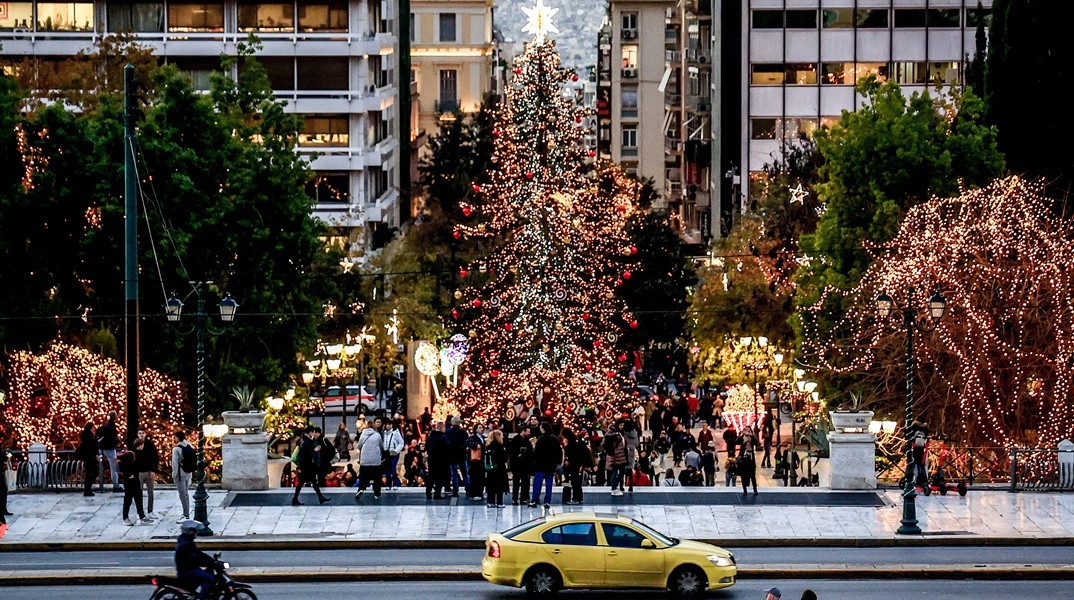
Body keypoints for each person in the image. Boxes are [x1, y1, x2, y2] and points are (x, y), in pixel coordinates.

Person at [175, 520, 217, 600]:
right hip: (188, 571)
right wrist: (208, 563)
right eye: (195, 531)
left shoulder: (187, 541)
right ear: (190, 531)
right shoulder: (186, 544)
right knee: (209, 579)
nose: (196, 533)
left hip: (189, 569)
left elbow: (199, 553)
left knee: (207, 574)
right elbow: (195, 559)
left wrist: (212, 560)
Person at [292, 427, 330, 505]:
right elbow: (308, 454)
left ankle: (320, 497)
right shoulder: (306, 442)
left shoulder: (304, 440)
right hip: (307, 466)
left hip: (306, 465)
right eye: (313, 432)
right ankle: (295, 498)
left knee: (311, 482)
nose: (313, 434)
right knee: (303, 482)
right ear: (310, 432)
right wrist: (315, 450)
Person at [117, 442, 151, 525]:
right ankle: (125, 517)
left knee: (138, 496)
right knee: (128, 497)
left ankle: (141, 515)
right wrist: (130, 475)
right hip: (129, 478)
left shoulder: (136, 453)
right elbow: (128, 466)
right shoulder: (131, 454)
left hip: (134, 477)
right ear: (140, 445)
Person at [530, 423, 562, 508]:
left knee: (537, 484)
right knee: (549, 485)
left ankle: (535, 500)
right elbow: (559, 451)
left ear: (543, 429)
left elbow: (536, 452)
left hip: (540, 465)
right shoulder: (555, 439)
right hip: (551, 466)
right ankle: (547, 502)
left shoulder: (541, 439)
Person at [354, 417, 384, 499]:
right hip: (375, 461)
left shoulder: (363, 435)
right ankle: (377, 493)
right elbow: (381, 446)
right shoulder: (377, 435)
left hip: (365, 460)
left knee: (363, 476)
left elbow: (359, 446)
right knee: (377, 478)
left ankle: (361, 489)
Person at [562, 428, 593, 505]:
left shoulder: (572, 444)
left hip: (575, 465)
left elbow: (572, 455)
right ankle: (578, 497)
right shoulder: (578, 442)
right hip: (578, 465)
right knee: (577, 482)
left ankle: (576, 498)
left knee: (575, 482)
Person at [133, 429, 160, 518]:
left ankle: (150, 510)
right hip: (139, 472)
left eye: (143, 433)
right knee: (138, 493)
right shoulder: (135, 445)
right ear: (137, 434)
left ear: (145, 434)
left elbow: (155, 458)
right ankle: (139, 511)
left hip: (149, 471)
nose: (141, 435)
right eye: (139, 433)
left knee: (150, 492)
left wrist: (153, 470)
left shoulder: (150, 445)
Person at [425, 421, 451, 499]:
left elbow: (426, 448)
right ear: (441, 428)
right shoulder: (443, 437)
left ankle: (428, 493)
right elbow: (447, 448)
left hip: (431, 458)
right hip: (441, 459)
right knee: (439, 477)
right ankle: (437, 494)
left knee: (431, 476)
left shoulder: (430, 437)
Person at [507, 426, 534, 505]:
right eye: (527, 432)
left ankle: (524, 498)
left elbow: (530, 452)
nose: (529, 433)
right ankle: (514, 498)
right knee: (516, 482)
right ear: (523, 431)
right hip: (517, 465)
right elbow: (512, 453)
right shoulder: (515, 440)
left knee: (526, 482)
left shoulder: (527, 441)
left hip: (525, 465)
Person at [483, 429, 509, 508]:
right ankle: (499, 502)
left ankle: (491, 502)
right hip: (500, 469)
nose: (502, 436)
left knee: (491, 486)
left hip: (491, 469)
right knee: (500, 486)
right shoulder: (500, 446)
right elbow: (503, 458)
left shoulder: (489, 446)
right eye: (501, 435)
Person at [172, 431, 194, 522]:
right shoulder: (189, 445)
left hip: (180, 474)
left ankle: (186, 515)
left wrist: (174, 475)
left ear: (177, 438)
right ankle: (186, 513)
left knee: (183, 494)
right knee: (186, 494)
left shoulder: (176, 449)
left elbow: (175, 463)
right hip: (188, 473)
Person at [97, 411, 121, 492]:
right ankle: (116, 485)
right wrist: (117, 441)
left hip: (102, 448)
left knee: (101, 467)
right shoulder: (112, 427)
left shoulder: (105, 424)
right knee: (114, 468)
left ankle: (101, 485)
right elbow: (113, 438)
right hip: (110, 449)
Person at [446, 417, 468, 497]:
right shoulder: (463, 432)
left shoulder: (448, 432)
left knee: (454, 473)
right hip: (461, 454)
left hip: (452, 455)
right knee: (465, 472)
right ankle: (467, 489)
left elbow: (447, 444)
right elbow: (466, 443)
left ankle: (455, 490)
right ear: (459, 423)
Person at [603, 422, 627, 496]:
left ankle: (615, 486)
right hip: (616, 455)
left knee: (617, 471)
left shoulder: (618, 433)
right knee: (614, 471)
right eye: (621, 425)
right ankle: (614, 487)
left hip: (619, 455)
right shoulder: (614, 435)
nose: (622, 427)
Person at [464, 424, 486, 500]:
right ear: (476, 429)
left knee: (481, 477)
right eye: (480, 428)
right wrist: (475, 445)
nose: (482, 429)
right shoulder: (472, 438)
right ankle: (474, 492)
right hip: (474, 461)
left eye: (482, 427)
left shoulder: (484, 438)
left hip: (482, 460)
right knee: (474, 477)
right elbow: (466, 443)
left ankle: (480, 492)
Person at [77, 419, 99, 497]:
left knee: (90, 473)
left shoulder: (88, 436)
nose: (94, 429)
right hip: (89, 458)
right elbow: (91, 447)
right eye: (93, 427)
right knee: (92, 473)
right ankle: (87, 489)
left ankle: (88, 489)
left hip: (88, 457)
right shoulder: (88, 437)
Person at [382, 419, 405, 490]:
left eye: (390, 425)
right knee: (387, 470)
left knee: (393, 468)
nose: (388, 426)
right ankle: (388, 484)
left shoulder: (395, 433)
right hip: (387, 454)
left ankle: (395, 483)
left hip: (394, 454)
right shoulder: (384, 433)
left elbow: (401, 442)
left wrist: (396, 451)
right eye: (387, 425)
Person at [620, 418, 639, 492]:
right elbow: (637, 443)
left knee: (622, 469)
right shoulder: (634, 433)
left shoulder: (623, 433)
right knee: (630, 469)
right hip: (631, 451)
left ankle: (621, 485)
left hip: (624, 451)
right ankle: (631, 486)